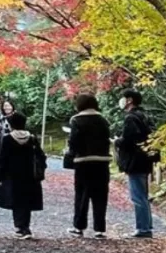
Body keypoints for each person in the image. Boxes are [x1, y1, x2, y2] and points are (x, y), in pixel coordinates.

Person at [66, 93, 111, 239]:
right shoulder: (103, 119)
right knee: (100, 195)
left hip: (83, 161)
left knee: (82, 195)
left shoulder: (76, 120)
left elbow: (74, 141)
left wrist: (71, 154)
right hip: (102, 161)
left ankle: (79, 227)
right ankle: (99, 229)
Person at [0, 110, 46, 239]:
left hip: (13, 175)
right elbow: (41, 156)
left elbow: (2, 158)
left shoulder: (7, 138)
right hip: (30, 175)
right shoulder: (32, 138)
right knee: (27, 201)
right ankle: (26, 226)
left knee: (16, 201)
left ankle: (20, 227)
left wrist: (1, 175)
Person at [116, 89, 156, 239]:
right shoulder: (145, 116)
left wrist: (118, 141)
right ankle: (146, 225)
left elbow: (128, 139)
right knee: (143, 195)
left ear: (129, 100)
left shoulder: (131, 118)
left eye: (124, 98)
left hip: (135, 161)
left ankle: (143, 228)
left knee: (138, 196)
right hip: (145, 159)